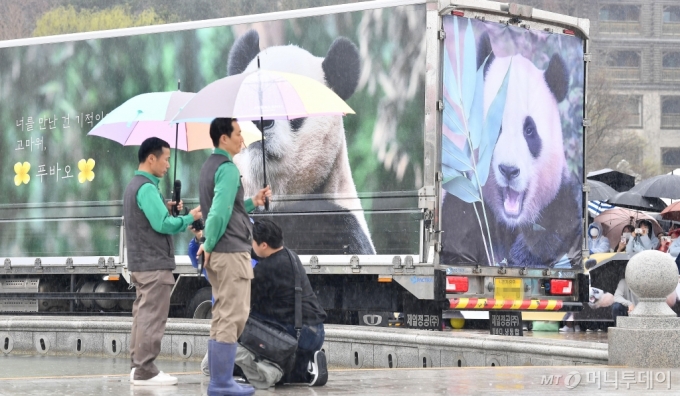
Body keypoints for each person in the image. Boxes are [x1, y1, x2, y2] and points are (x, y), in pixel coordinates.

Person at [197, 117, 270, 396]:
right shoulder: (227, 169)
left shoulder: (209, 167)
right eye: (238, 134)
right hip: (230, 253)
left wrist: (255, 201)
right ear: (223, 138)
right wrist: (209, 242)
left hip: (220, 253)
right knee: (233, 316)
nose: (242, 139)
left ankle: (220, 380)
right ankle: (221, 383)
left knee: (221, 316)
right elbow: (219, 213)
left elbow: (231, 207)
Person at [124, 137, 202, 386]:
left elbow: (150, 217)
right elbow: (162, 224)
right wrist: (188, 217)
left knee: (143, 315)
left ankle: (138, 366)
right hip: (153, 263)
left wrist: (165, 206)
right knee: (152, 317)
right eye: (166, 159)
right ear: (151, 158)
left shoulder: (136, 186)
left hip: (142, 263)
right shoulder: (146, 188)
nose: (168, 165)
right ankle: (145, 370)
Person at [238, 219, 328, 388]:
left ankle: (271, 370)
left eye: (252, 242)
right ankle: (305, 368)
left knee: (241, 321)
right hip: (315, 330)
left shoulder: (266, 269)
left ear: (263, 245)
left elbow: (241, 295)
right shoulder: (290, 255)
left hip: (298, 336)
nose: (250, 246)